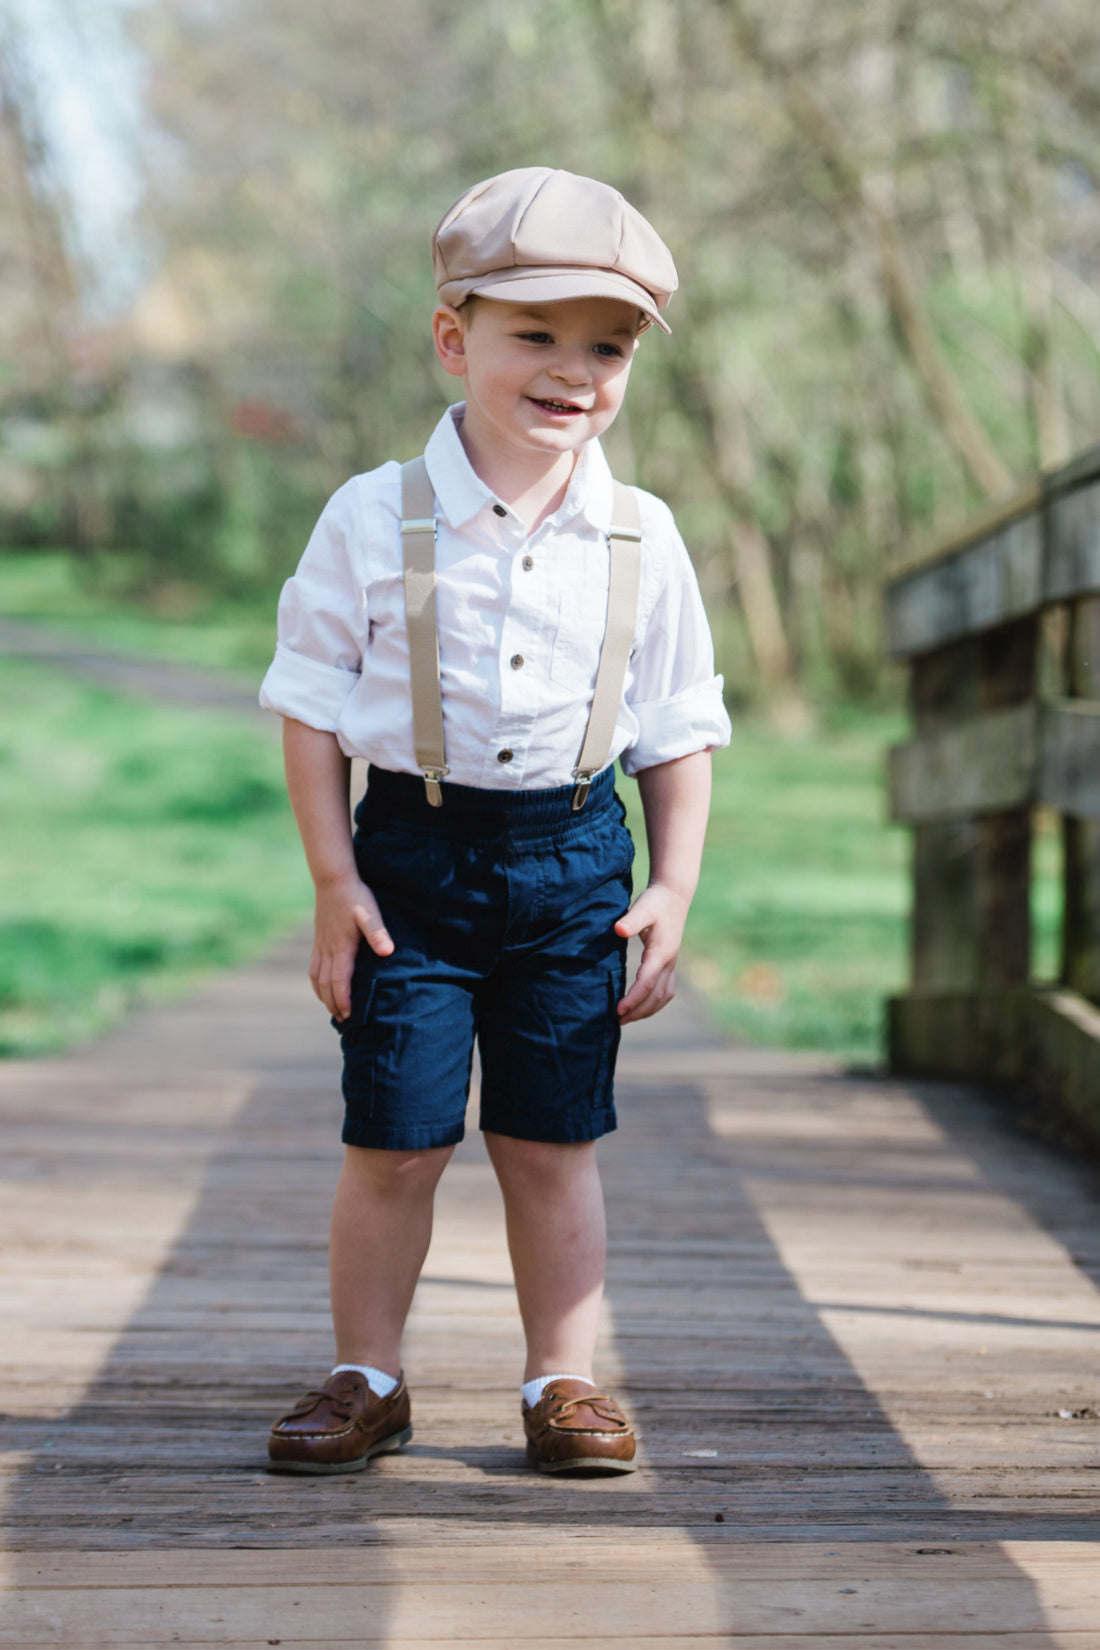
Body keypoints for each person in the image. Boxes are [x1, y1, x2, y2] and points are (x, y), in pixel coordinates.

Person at [259, 166, 731, 1477]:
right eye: (538, 334)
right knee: (396, 1137)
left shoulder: (641, 535)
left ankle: (561, 1379)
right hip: (411, 860)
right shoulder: (372, 516)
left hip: (577, 864)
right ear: (455, 338)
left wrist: (676, 887)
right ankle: (369, 1372)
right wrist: (331, 875)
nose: (574, 369)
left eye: (609, 344)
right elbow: (308, 705)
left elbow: (678, 725)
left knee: (551, 1138)